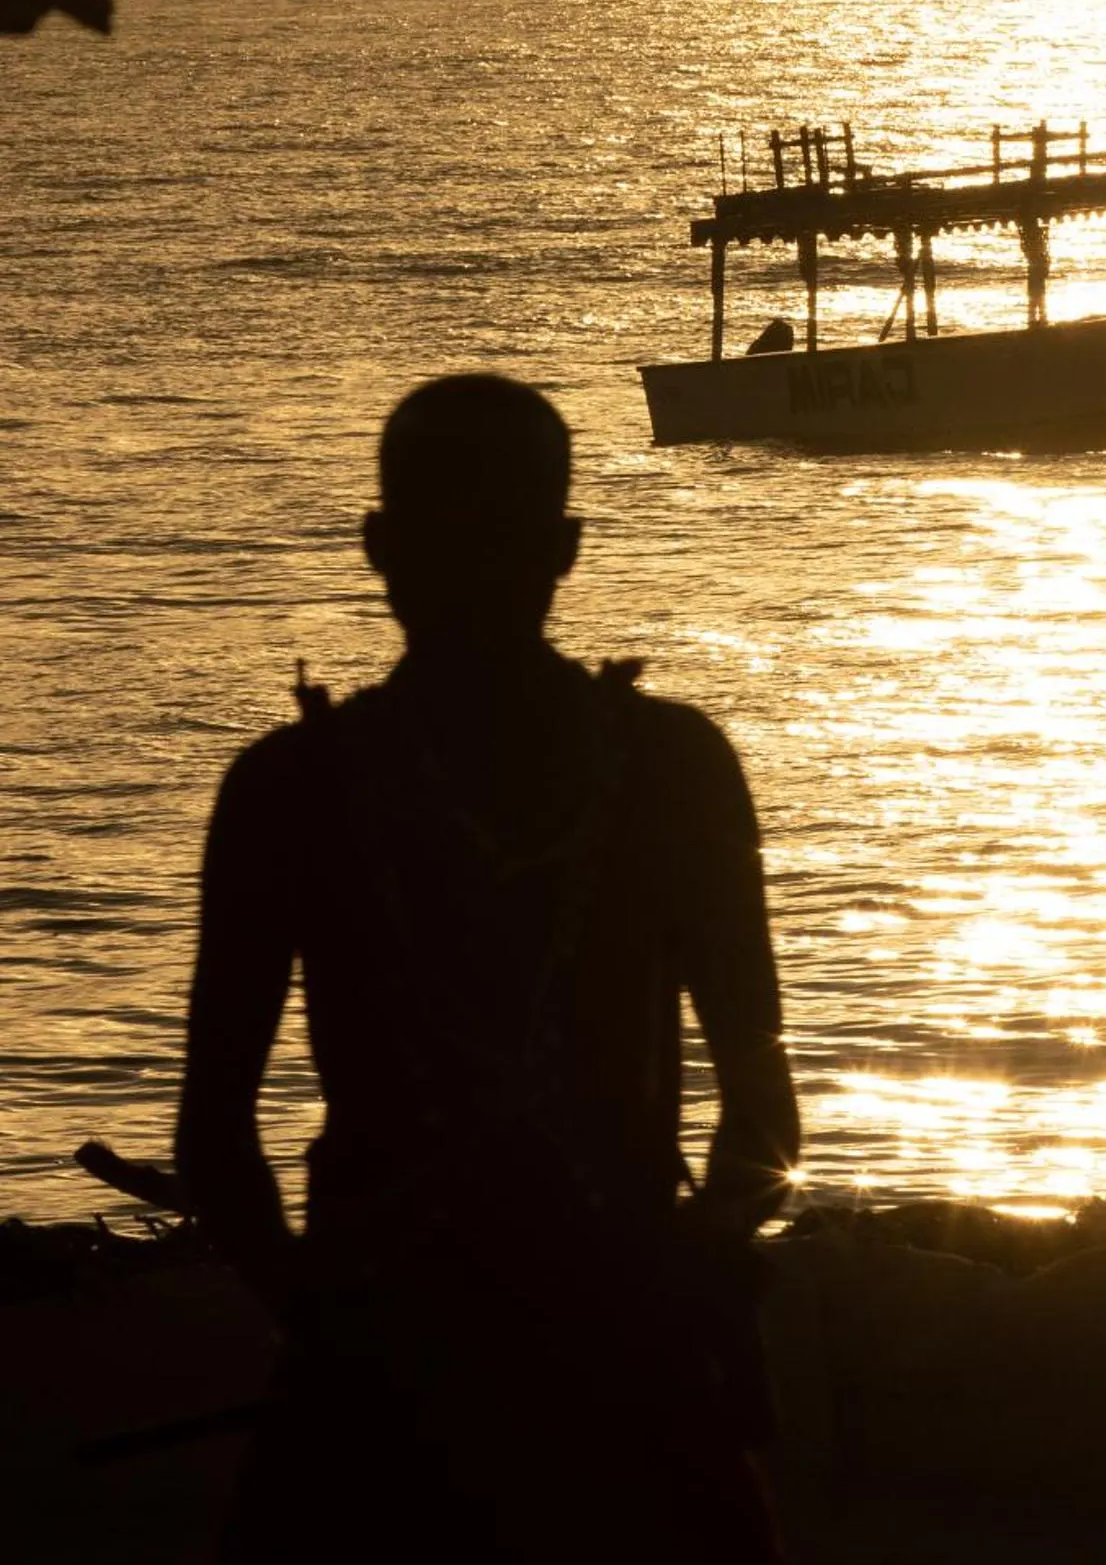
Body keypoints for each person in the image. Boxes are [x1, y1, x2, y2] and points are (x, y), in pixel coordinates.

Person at [176, 373, 800, 1561]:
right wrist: (689, 1288)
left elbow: (215, 1138)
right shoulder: (673, 766)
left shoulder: (289, 787)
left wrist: (320, 1324)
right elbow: (763, 1114)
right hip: (613, 1337)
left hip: (384, 1342)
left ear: (376, 545)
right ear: (566, 547)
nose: (476, 567)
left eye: (486, 536)